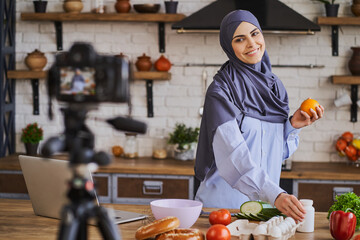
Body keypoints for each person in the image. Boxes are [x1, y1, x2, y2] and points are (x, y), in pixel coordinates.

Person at [194, 10, 324, 222]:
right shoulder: (220, 91)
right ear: (228, 45)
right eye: (239, 39)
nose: (251, 44)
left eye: (255, 34)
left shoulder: (274, 87)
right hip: (222, 210)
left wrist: (293, 126)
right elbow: (235, 157)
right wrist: (276, 195)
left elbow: (272, 154)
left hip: (262, 211)